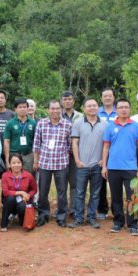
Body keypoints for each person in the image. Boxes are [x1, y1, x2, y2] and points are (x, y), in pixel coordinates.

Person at [102, 98, 138, 236]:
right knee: (116, 197)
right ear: (116, 109)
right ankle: (118, 222)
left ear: (130, 109)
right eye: (120, 107)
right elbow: (106, 147)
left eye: (126, 107)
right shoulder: (110, 126)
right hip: (113, 167)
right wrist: (104, 166)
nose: (123, 109)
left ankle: (133, 224)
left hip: (131, 167)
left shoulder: (136, 126)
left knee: (132, 196)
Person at [67, 98, 107, 229]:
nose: (92, 108)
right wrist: (77, 161)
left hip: (97, 165)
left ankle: (91, 218)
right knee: (80, 193)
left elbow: (108, 145)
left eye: (94, 105)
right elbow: (74, 143)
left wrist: (103, 161)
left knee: (95, 193)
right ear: (84, 108)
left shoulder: (105, 124)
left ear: (98, 107)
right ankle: (78, 218)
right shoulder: (78, 123)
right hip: (82, 165)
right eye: (89, 106)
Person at [33, 100, 72, 228]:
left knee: (62, 192)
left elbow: (70, 145)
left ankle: (61, 217)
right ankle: (43, 215)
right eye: (52, 109)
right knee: (43, 192)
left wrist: (66, 158)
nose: (55, 111)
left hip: (61, 164)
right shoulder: (41, 123)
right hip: (44, 163)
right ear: (48, 110)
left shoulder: (67, 125)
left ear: (61, 109)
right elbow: (37, 144)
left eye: (57, 108)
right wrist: (36, 161)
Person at [0, 154, 38, 232]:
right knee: (10, 198)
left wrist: (28, 195)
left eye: (18, 162)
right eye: (13, 163)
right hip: (9, 202)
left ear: (22, 163)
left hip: (23, 201)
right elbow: (6, 192)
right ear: (9, 164)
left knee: (22, 206)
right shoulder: (5, 176)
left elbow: (34, 189)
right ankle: (4, 223)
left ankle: (21, 220)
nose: (16, 165)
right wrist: (21, 192)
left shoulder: (28, 175)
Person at [61, 91, 83, 217]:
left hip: (76, 155)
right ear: (61, 101)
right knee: (62, 184)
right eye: (65, 99)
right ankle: (62, 209)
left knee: (75, 183)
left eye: (69, 99)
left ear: (73, 101)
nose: (67, 101)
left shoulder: (80, 116)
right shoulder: (57, 115)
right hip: (61, 155)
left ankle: (74, 209)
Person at [97, 87, 117, 220]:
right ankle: (102, 210)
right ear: (101, 98)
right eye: (105, 96)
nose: (107, 98)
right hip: (100, 151)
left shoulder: (120, 111)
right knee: (101, 183)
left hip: (116, 152)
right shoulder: (96, 112)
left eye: (110, 96)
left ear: (114, 97)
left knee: (115, 183)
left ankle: (117, 210)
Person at [3, 98, 37, 174]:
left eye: (24, 107)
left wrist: (36, 160)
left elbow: (36, 142)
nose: (22, 109)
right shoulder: (10, 123)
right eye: (20, 107)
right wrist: (7, 160)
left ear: (27, 108)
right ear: (15, 109)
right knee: (15, 178)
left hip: (28, 155)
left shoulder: (33, 123)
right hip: (14, 155)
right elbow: (6, 142)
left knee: (28, 178)